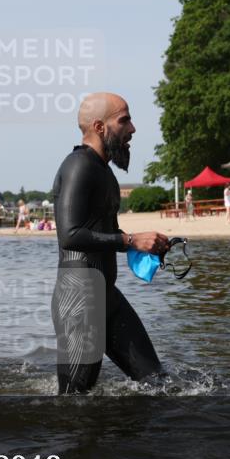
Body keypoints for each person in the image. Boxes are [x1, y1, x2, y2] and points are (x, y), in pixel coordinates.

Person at [50, 92, 169, 394]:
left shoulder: (103, 171)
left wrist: (143, 245)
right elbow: (70, 235)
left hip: (105, 295)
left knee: (157, 383)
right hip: (79, 298)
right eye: (124, 120)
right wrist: (129, 240)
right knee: (74, 400)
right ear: (100, 127)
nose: (133, 129)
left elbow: (101, 233)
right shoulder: (78, 166)